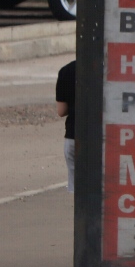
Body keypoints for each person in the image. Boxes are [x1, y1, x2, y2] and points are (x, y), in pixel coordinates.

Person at [55, 60, 76, 192]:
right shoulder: (113, 68)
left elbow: (61, 111)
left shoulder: (67, 70)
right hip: (106, 137)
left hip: (74, 135)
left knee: (78, 190)